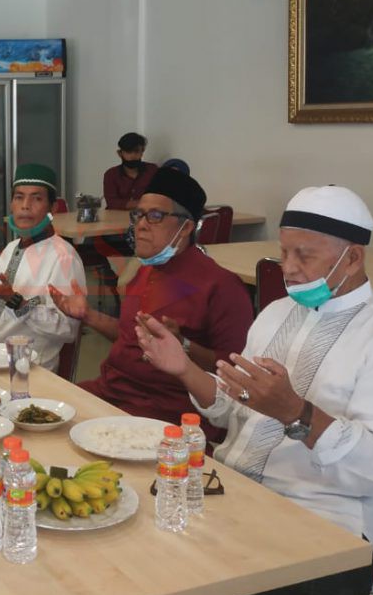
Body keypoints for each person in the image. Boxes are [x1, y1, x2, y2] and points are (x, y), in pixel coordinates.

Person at [83, 185, 373, 595]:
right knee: (118, 553)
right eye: (284, 251)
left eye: (304, 255)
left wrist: (299, 414)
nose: (287, 268)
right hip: (238, 491)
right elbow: (233, 410)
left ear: (353, 257)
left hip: (326, 522)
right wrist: (185, 369)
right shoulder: (275, 316)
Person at [51, 167, 253, 437]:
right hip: (111, 393)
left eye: (155, 216)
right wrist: (88, 315)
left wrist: (183, 346)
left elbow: (235, 378)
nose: (141, 225)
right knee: (34, 413)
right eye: (139, 215)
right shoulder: (145, 271)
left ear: (186, 227)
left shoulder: (221, 286)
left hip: (165, 413)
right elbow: (130, 337)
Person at [0, 164, 84, 372]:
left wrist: (17, 301)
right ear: (11, 204)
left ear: (53, 208)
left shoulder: (65, 257)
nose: (25, 206)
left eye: (36, 198)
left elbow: (68, 330)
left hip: (27, 366)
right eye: (19, 197)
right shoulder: (11, 248)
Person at [103, 132, 157, 210]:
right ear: (120, 153)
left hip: (144, 214)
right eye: (128, 152)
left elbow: (158, 197)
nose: (133, 155)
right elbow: (112, 202)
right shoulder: (111, 174)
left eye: (136, 151)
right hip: (116, 215)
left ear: (142, 152)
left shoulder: (152, 170)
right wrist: (142, 203)